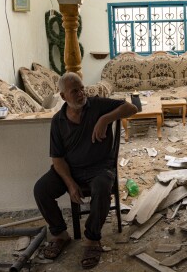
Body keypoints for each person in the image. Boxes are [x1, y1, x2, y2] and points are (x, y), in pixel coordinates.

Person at [33, 72, 137, 269]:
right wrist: (70, 184)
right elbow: (57, 159)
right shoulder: (58, 121)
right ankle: (60, 234)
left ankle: (92, 239)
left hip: (99, 168)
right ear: (63, 96)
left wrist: (105, 118)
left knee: (102, 186)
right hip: (70, 169)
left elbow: (132, 107)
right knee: (41, 189)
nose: (81, 94)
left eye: (82, 88)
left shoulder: (96, 105)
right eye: (75, 91)